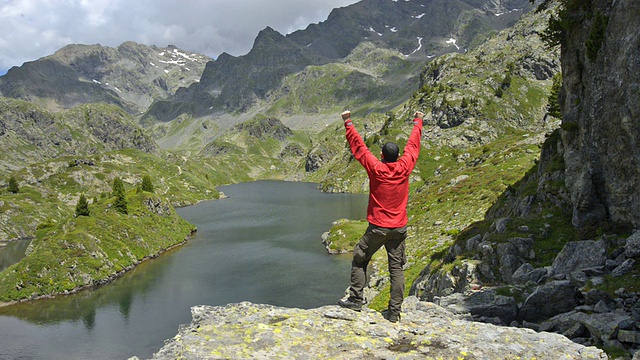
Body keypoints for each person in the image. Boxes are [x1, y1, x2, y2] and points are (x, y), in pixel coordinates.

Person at [337, 110, 423, 323]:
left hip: (377, 227)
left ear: (383, 156)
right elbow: (413, 146)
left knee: (359, 258)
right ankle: (394, 313)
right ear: (398, 155)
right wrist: (418, 121)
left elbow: (359, 147)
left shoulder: (376, 168)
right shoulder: (405, 167)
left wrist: (348, 122)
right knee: (396, 269)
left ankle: (356, 300)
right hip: (398, 229)